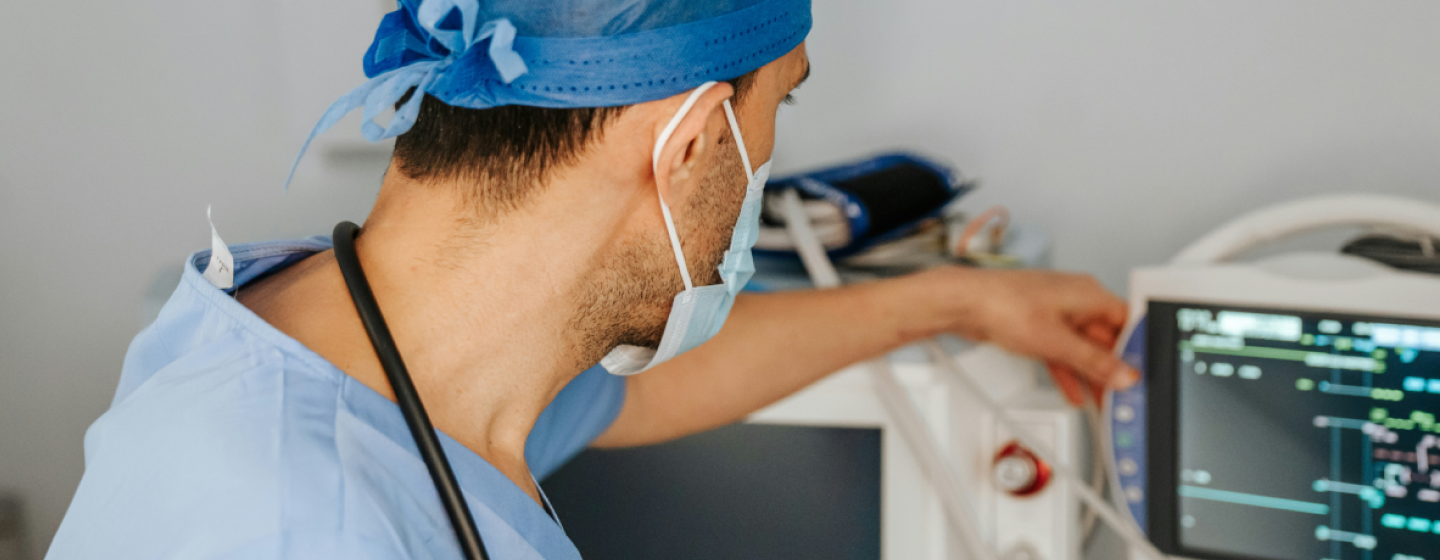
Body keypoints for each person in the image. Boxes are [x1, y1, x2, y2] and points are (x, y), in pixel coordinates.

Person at [46, 1, 1137, 558]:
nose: (769, 149)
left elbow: (639, 388)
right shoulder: (303, 527)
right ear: (696, 140)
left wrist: (962, 299)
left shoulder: (364, 334)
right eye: (778, 105)